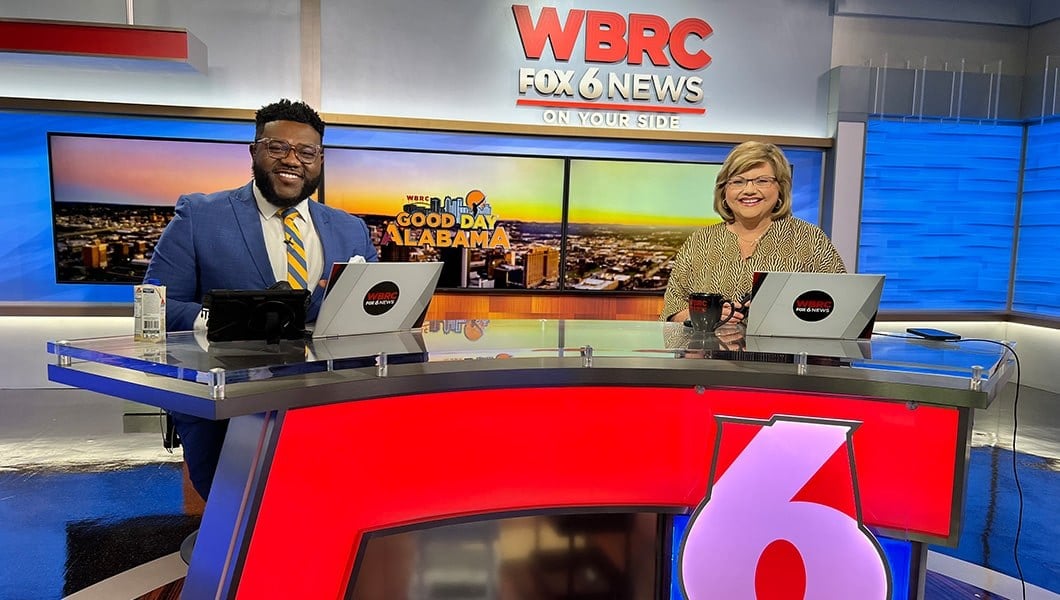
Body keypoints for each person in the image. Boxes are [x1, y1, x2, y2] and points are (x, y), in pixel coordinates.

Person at [145, 99, 378, 501]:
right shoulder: (201, 215)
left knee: (321, 503)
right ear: (254, 151)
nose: (292, 160)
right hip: (231, 406)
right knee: (239, 507)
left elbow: (374, 310)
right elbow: (157, 303)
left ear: (319, 160)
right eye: (277, 147)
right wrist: (234, 316)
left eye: (306, 152)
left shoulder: (350, 229)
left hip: (326, 403)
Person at [660, 141, 845, 324]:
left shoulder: (810, 239)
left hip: (784, 352)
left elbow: (843, 306)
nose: (749, 190)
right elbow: (673, 308)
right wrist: (702, 316)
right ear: (724, 190)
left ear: (780, 187)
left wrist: (783, 312)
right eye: (738, 182)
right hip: (710, 353)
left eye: (762, 181)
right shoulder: (701, 240)